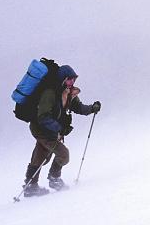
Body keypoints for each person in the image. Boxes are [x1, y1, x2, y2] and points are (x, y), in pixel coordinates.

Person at [23, 64, 101, 197]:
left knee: (42, 157)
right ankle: (54, 180)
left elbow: (79, 108)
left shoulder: (68, 93)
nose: (72, 82)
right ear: (63, 79)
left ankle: (31, 187)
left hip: (50, 130)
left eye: (74, 79)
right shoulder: (50, 93)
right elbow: (43, 117)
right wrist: (60, 128)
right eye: (70, 79)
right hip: (41, 129)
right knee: (63, 154)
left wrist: (92, 108)